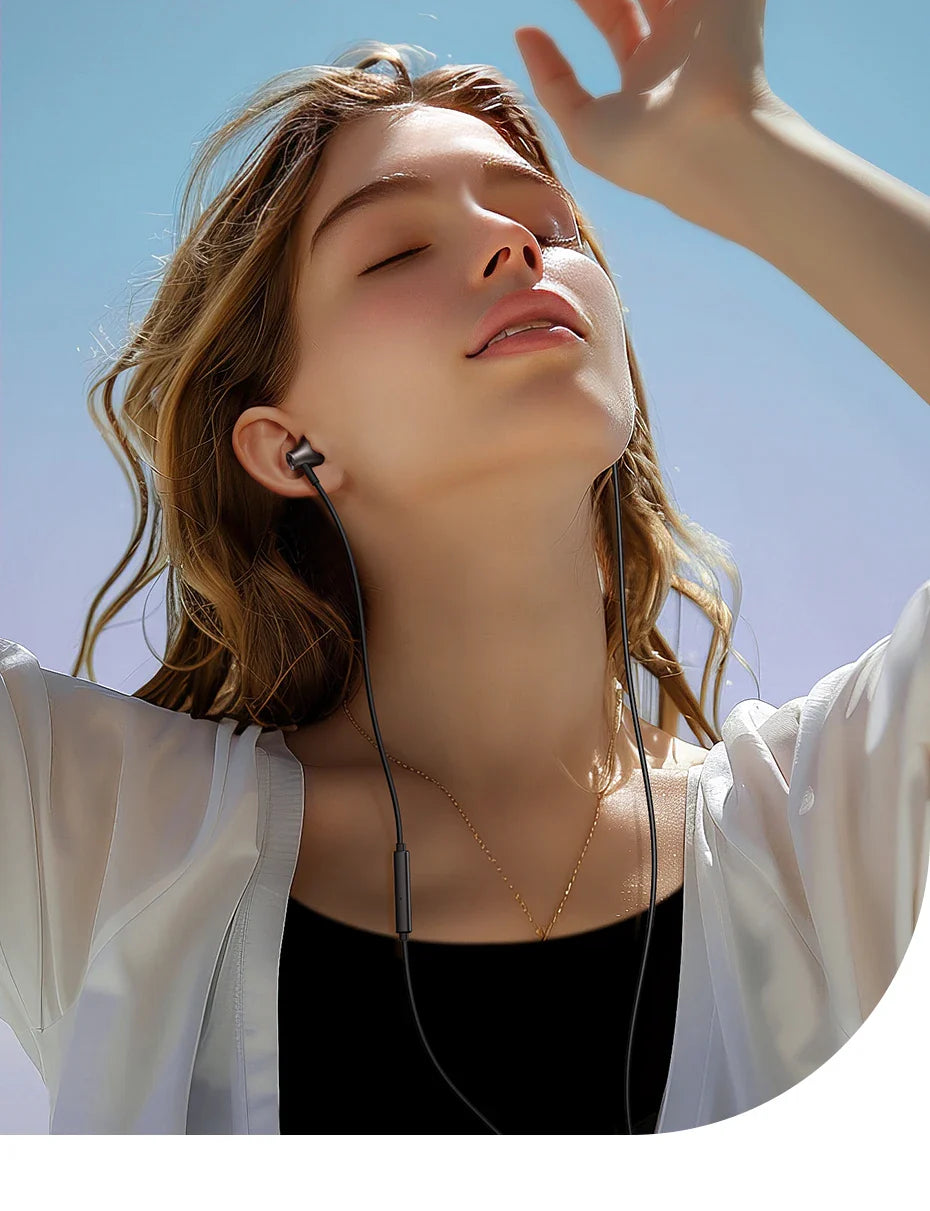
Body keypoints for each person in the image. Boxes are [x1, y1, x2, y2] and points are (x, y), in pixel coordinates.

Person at [1, 2, 928, 1135]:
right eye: (397, 249)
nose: (517, 246)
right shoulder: (96, 830)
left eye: (549, 224)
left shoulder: (832, 824)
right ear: (288, 445)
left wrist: (749, 148)